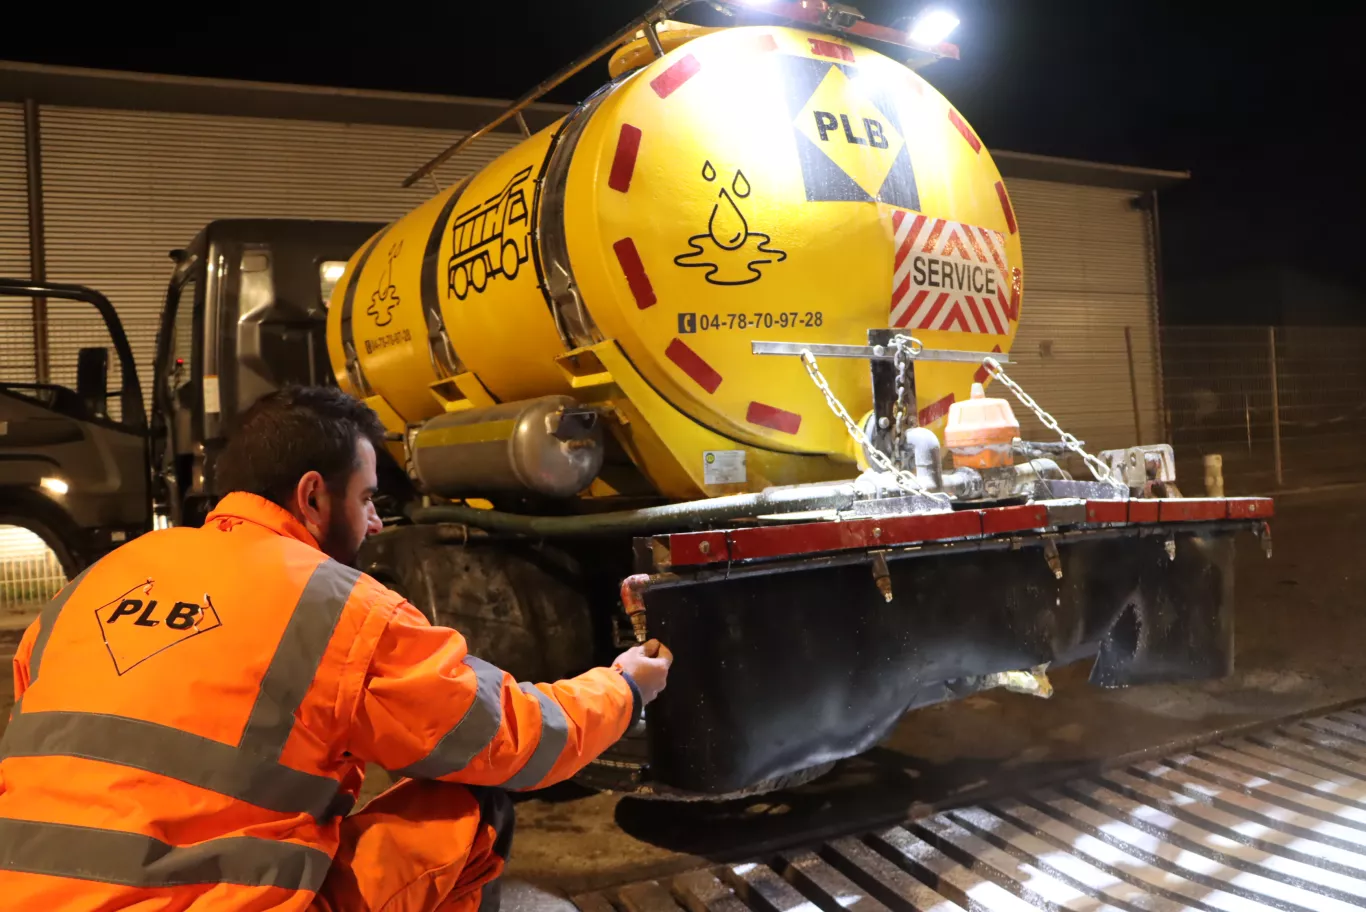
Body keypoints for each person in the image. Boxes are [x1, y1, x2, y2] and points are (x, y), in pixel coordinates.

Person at [0, 385, 672, 911]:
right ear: (313, 496)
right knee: (473, 806)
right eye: (368, 498)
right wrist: (624, 687)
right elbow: (510, 738)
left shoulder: (97, 580)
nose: (377, 521)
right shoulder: (333, 605)